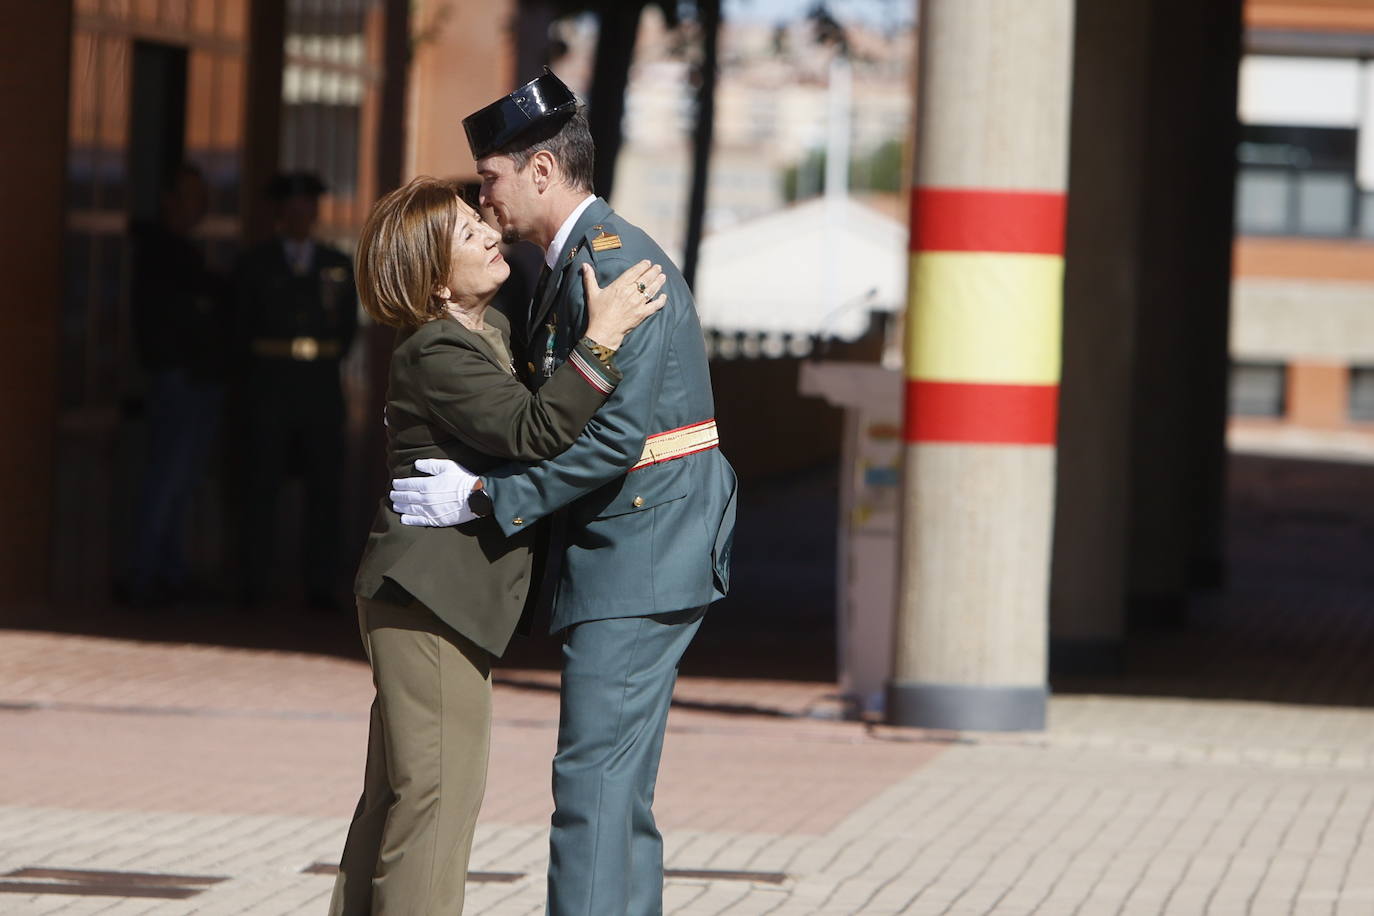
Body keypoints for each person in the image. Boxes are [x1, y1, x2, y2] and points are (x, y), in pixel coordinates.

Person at [389, 71, 738, 916]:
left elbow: (616, 438)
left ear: (540, 172)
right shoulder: (567, 265)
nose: (484, 194)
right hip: (636, 539)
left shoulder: (618, 268)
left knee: (589, 786)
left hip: (640, 544)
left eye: (491, 178)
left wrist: (485, 498)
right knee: (618, 796)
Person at [329, 176, 668, 915]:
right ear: (433, 278)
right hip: (427, 603)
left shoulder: (482, 334)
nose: (488, 230)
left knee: (398, 797)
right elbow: (533, 430)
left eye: (479, 219)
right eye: (465, 233)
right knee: (436, 803)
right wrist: (602, 338)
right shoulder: (436, 351)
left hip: (430, 603)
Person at [233, 172, 356, 610]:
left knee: (325, 488)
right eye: (295, 208)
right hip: (270, 387)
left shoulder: (336, 262)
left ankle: (320, 583)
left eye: (310, 207)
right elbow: (240, 326)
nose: (303, 215)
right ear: (282, 213)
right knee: (261, 484)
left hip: (320, 388)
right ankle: (253, 581)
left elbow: (345, 330)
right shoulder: (255, 262)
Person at [125, 162, 228, 606]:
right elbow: (175, 320)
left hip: (194, 377)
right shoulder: (160, 251)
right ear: (169, 200)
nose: (199, 207)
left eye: (203, 198)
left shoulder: (180, 250)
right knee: (167, 479)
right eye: (191, 196)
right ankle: (144, 576)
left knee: (180, 480)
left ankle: (167, 571)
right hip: (180, 378)